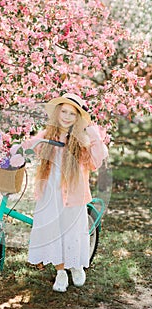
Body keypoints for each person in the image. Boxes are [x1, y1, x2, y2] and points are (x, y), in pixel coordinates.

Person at [22, 93, 108, 292]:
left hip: (73, 194)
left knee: (71, 231)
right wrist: (16, 152)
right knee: (53, 231)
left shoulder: (82, 139)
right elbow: (30, 146)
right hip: (50, 193)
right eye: (64, 111)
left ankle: (76, 265)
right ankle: (60, 271)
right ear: (57, 112)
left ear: (78, 118)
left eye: (72, 113)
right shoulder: (49, 134)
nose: (67, 116)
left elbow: (97, 160)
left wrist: (92, 131)